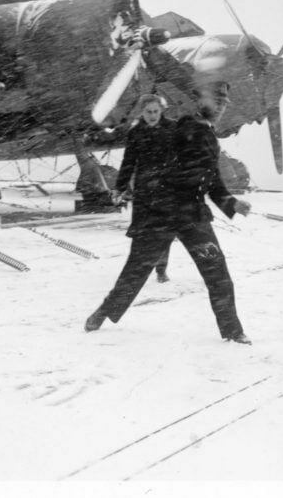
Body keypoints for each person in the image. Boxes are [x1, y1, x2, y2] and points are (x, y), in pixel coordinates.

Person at [85, 81, 253, 344]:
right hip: (159, 215)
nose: (221, 108)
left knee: (217, 272)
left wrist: (231, 203)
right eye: (216, 103)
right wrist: (135, 190)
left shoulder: (205, 132)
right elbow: (148, 165)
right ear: (201, 103)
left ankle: (233, 330)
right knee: (135, 271)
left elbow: (211, 180)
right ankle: (105, 311)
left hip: (192, 216)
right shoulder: (181, 129)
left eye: (223, 104)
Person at [113, 93, 176, 282]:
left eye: (156, 111)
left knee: (164, 233)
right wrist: (119, 187)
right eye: (148, 112)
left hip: (167, 189)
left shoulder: (172, 129)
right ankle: (136, 270)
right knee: (141, 232)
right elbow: (128, 162)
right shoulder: (135, 133)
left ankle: (161, 270)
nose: (152, 115)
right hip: (143, 190)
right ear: (142, 112)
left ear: (161, 111)